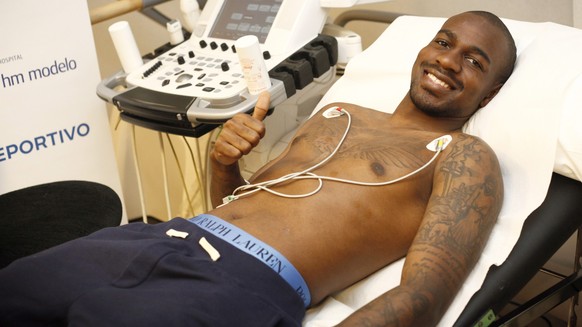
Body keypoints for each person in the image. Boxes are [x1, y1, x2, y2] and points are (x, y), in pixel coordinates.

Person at [0, 10, 515, 327]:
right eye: (445, 43)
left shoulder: (463, 156)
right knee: (15, 288)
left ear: (490, 92)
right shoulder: (341, 112)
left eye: (475, 61)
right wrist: (224, 162)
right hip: (164, 238)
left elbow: (421, 296)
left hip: (244, 284)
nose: (449, 61)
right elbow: (243, 206)